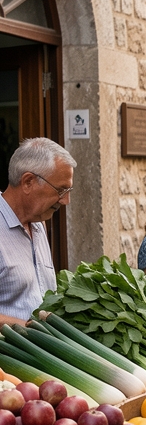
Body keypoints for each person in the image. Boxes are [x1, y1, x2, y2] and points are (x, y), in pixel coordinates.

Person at [0, 137, 74, 325]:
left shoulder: (38, 224)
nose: (66, 201)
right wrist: (30, 331)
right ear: (28, 182)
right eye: (61, 190)